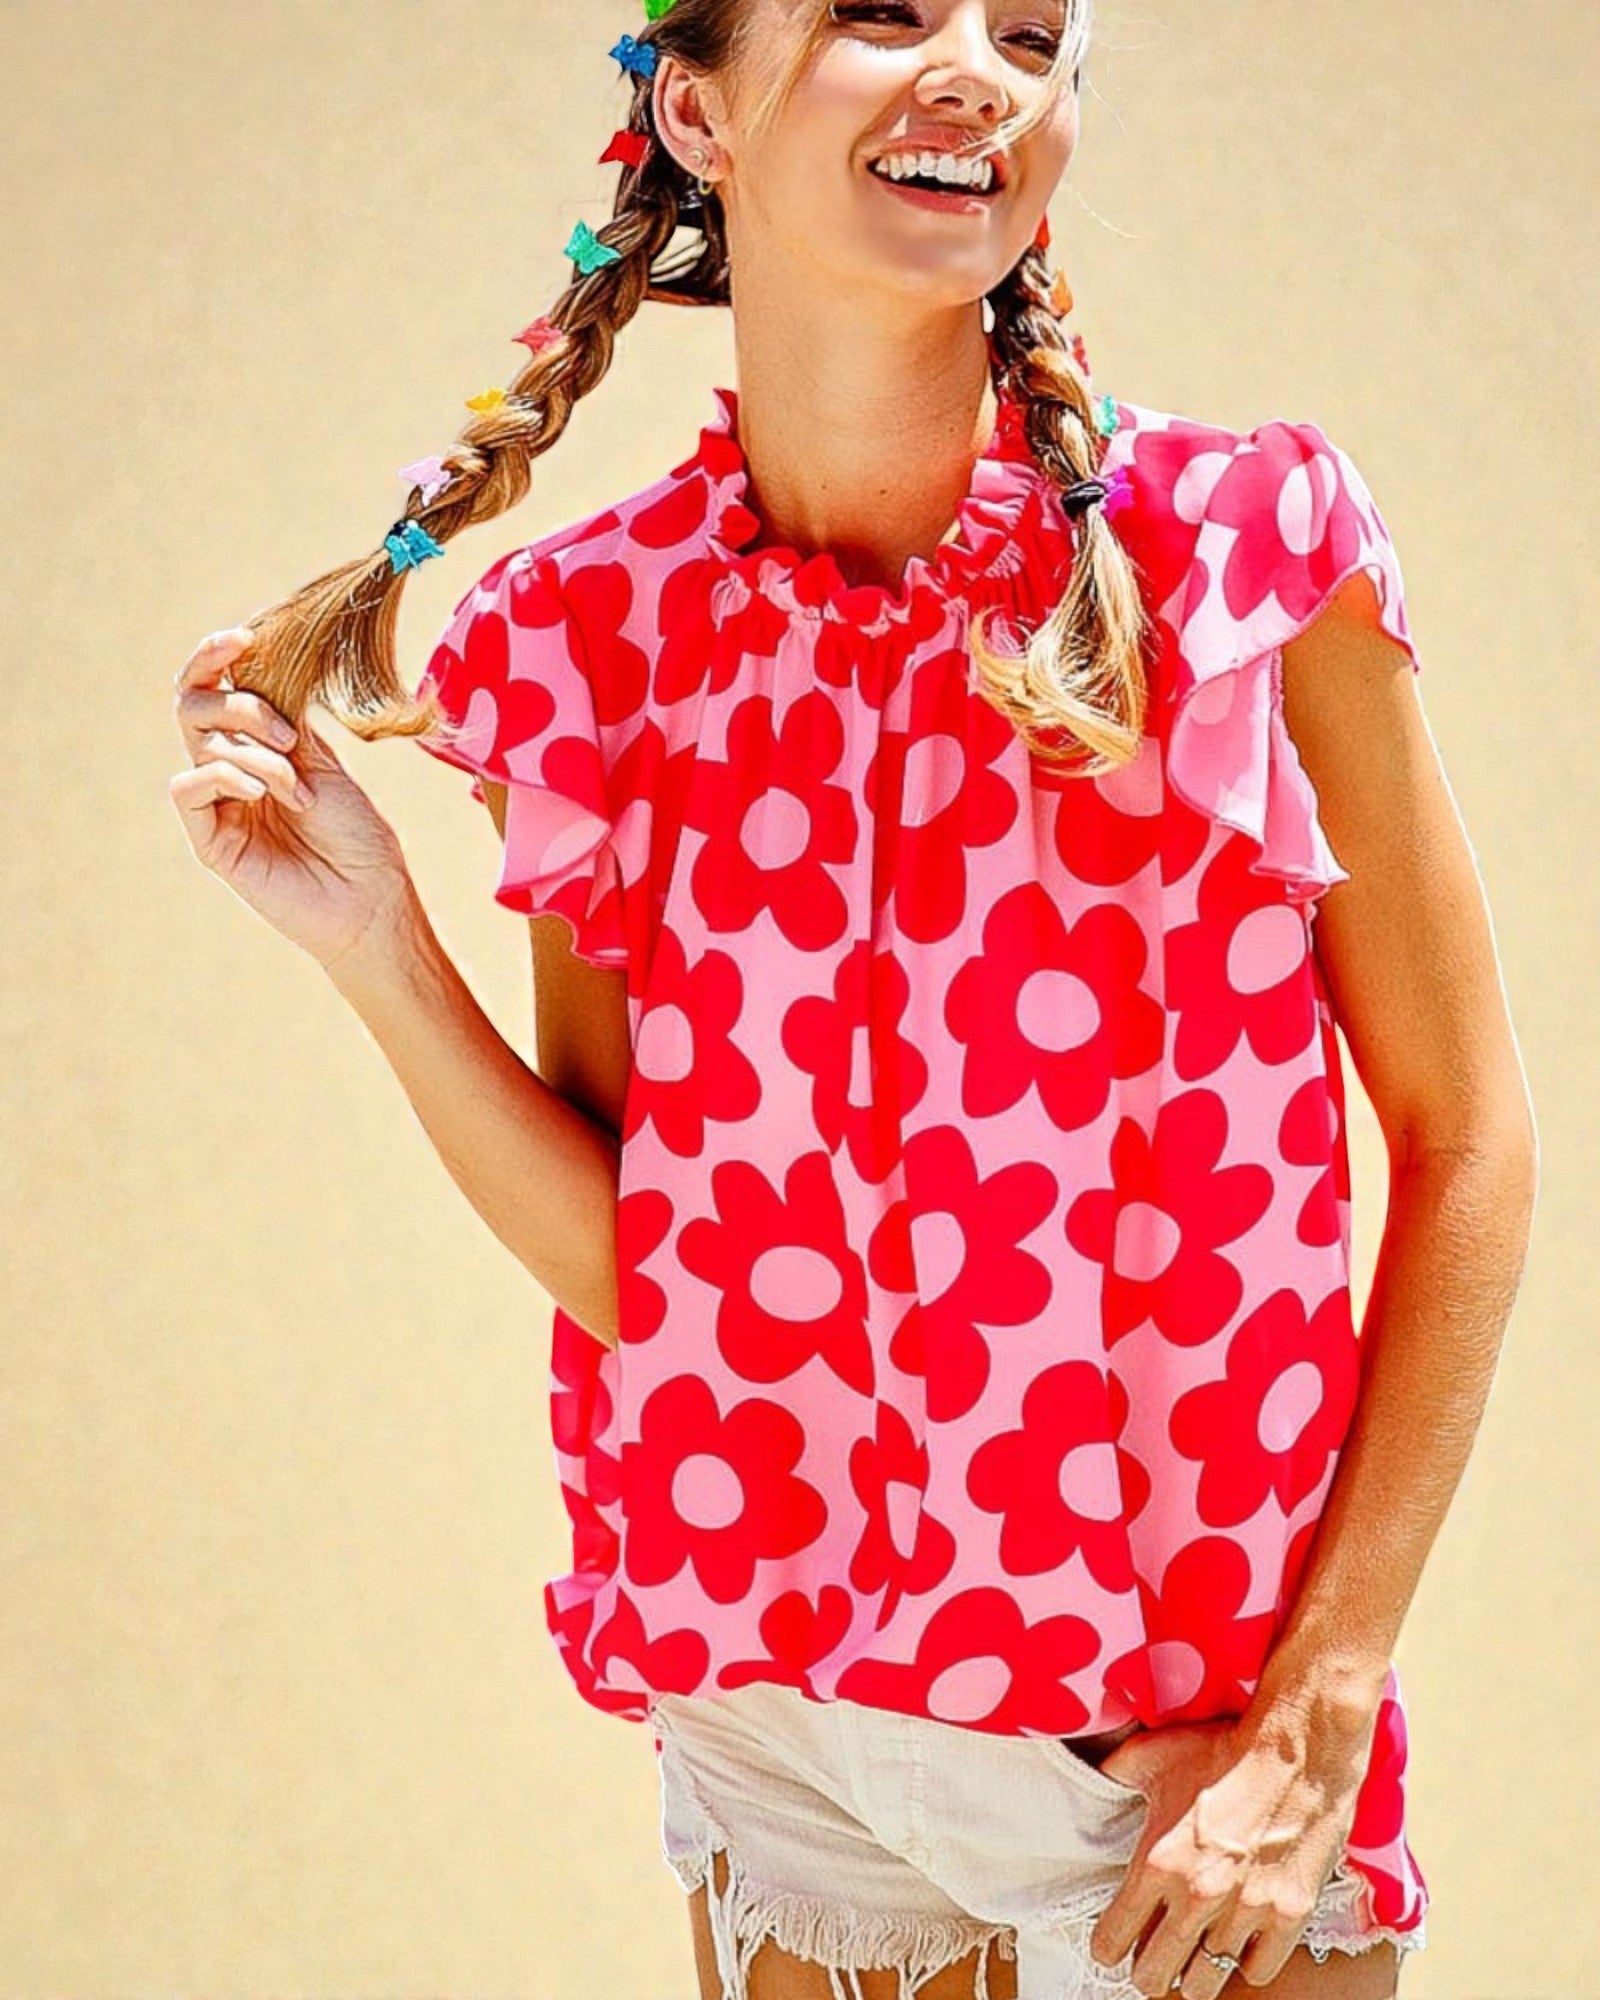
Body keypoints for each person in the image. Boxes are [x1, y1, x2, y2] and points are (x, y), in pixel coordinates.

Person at [168, 2, 1539, 1997]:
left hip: (1172, 1755)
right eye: (884, 13)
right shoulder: (592, 642)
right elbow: (664, 1280)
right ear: (696, 107)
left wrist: (1322, 1701)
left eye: (1032, 32)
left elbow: (1468, 1135)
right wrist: (380, 949)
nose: (977, 66)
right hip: (781, 1730)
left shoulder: (1236, 559)